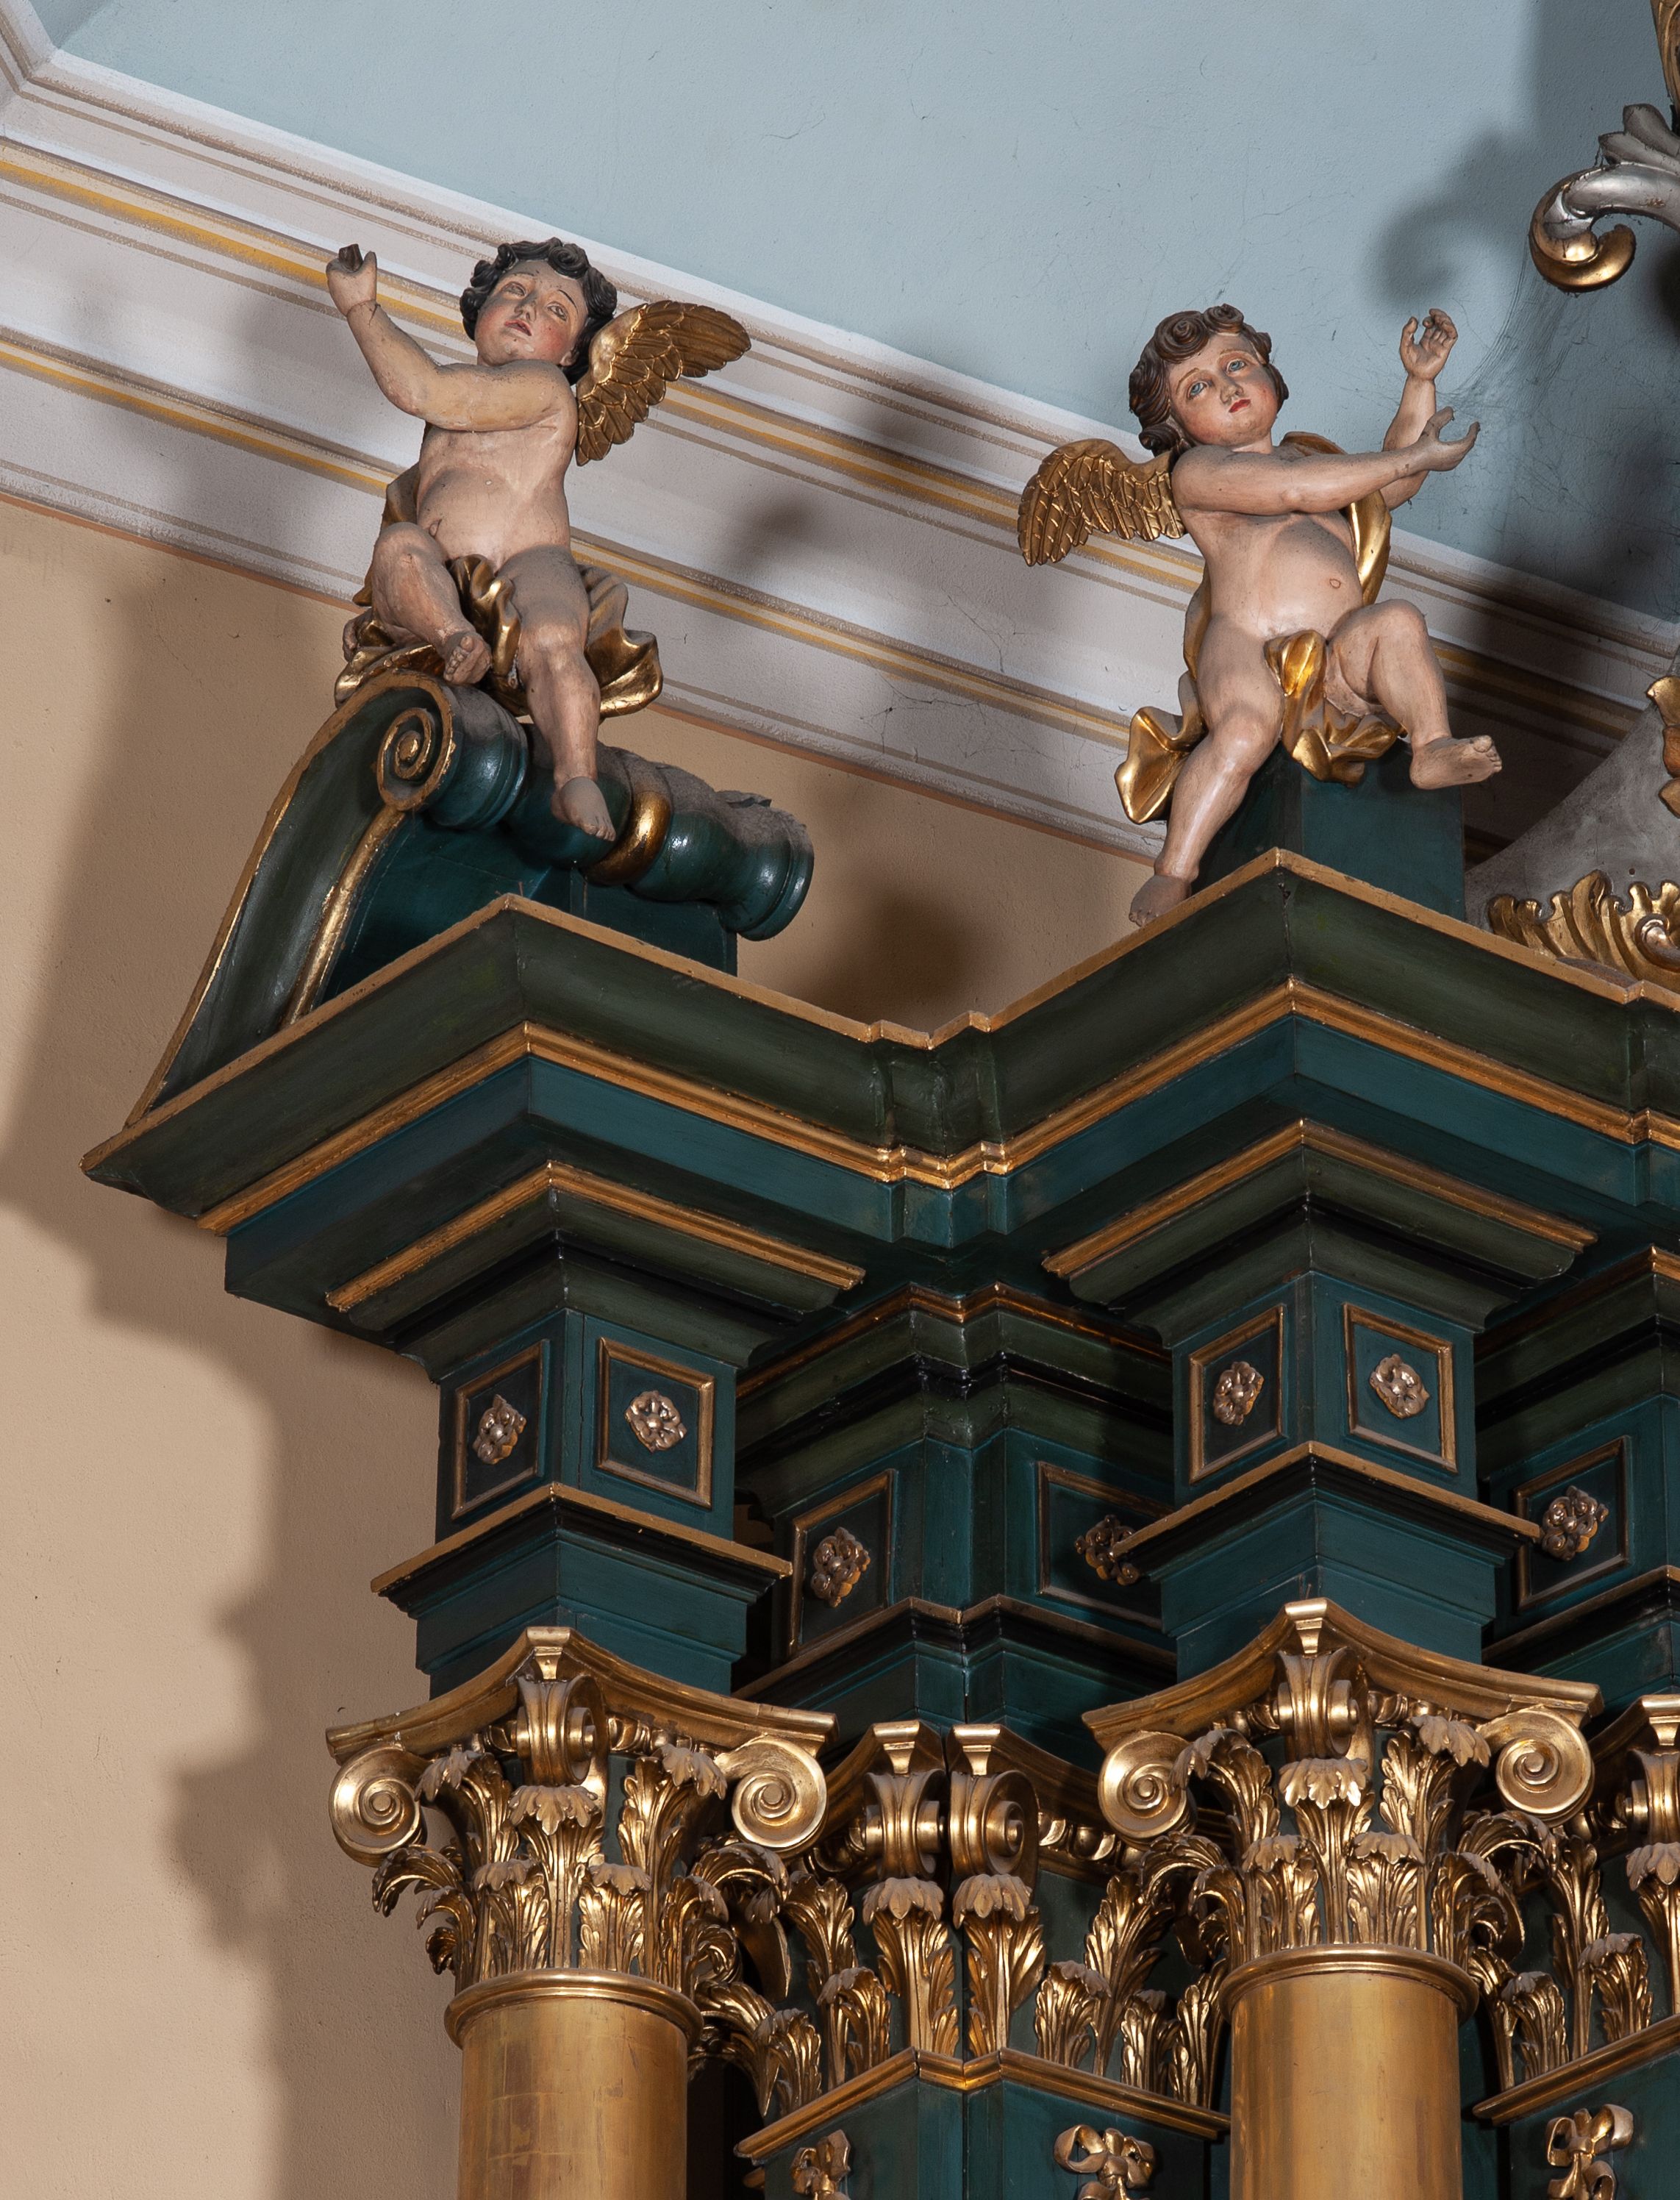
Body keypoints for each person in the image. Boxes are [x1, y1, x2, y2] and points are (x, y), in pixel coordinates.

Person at [1126, 304, 1497, 926]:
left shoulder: (1310, 459)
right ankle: (1174, 871)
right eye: (1197, 388)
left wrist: (1418, 382)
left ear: (1268, 373)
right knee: (1244, 731)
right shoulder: (1199, 472)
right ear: (1178, 428)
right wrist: (1415, 458)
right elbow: (1298, 491)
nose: (1226, 386)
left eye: (1236, 365)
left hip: (1334, 652)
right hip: (1247, 643)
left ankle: (1431, 746)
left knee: (1398, 621)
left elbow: (1387, 485)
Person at [326, 237, 621, 840]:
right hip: (446, 573)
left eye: (556, 309)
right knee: (399, 548)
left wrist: (361, 309)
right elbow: (415, 504)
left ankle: (575, 776)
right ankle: (456, 639)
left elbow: (424, 390)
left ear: (572, 354)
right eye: (514, 290)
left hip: (529, 561)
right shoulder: (458, 407)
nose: (529, 307)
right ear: (480, 306)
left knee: (552, 634)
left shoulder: (543, 388)